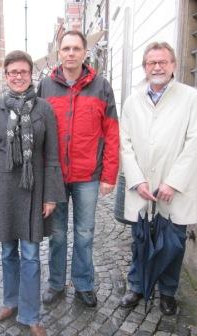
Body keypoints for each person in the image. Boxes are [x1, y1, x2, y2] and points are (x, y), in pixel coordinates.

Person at [0, 50, 66, 336]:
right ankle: (11, 301)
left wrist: (51, 195)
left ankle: (30, 314)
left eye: (23, 72)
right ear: (6, 76)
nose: (18, 76)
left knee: (30, 254)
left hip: (33, 188)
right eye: (13, 72)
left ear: (31, 75)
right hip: (2, 190)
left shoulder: (44, 109)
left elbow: (52, 156)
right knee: (7, 253)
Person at [37, 30, 119, 307]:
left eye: (75, 48)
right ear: (58, 53)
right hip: (55, 175)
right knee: (57, 234)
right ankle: (56, 283)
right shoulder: (46, 87)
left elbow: (112, 132)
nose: (70, 53)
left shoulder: (101, 86)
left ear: (85, 53)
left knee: (85, 233)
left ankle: (84, 284)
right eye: (65, 49)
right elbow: (38, 134)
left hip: (89, 175)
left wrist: (109, 175)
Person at [119, 42, 197, 315]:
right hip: (143, 187)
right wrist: (137, 180)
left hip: (175, 188)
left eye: (163, 62)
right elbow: (125, 143)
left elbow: (194, 142)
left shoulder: (190, 98)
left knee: (173, 243)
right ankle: (137, 286)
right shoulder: (133, 99)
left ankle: (167, 292)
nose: (158, 67)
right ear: (145, 67)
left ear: (173, 65)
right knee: (141, 239)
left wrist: (173, 182)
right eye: (152, 63)